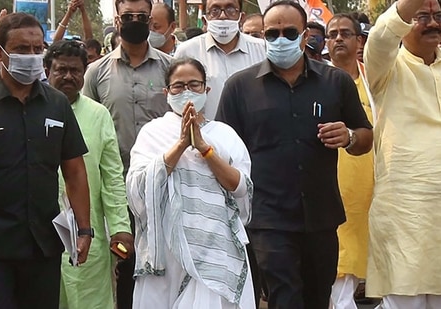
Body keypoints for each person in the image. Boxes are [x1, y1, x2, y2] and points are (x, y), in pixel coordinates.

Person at [216, 1, 373, 308]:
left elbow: (365, 136)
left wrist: (349, 136)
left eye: (289, 32)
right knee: (284, 298)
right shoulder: (240, 87)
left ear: (305, 37)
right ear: (262, 36)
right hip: (268, 219)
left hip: (321, 216)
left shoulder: (335, 82)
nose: (280, 40)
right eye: (272, 34)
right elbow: (224, 151)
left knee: (317, 298)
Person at [0, 12, 92, 308]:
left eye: (38, 50)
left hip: (43, 246)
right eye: (23, 50)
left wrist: (84, 229)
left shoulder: (57, 104)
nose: (33, 57)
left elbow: (74, 171)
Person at [363, 0, 441, 307]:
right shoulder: (385, 66)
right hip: (405, 216)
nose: (433, 23)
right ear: (404, 24)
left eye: (438, 17)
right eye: (422, 16)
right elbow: (381, 35)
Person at [127, 57, 254, 309]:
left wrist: (205, 149)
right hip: (168, 249)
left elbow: (240, 187)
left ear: (206, 89)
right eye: (178, 86)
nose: (187, 91)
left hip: (217, 248)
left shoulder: (224, 134)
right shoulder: (153, 132)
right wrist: (181, 145)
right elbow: (137, 188)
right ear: (166, 92)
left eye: (194, 85)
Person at [82, 0, 172, 307]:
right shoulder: (96, 72)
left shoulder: (169, 68)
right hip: (116, 188)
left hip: (163, 185)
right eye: (128, 16)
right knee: (124, 260)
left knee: (165, 260)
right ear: (116, 20)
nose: (134, 21)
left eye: (141, 17)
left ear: (150, 19)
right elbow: (87, 123)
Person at [44, 40, 134, 309]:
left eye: (76, 71)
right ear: (47, 69)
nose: (68, 76)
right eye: (61, 70)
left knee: (90, 300)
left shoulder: (98, 114)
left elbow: (112, 177)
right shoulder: (32, 110)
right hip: (38, 234)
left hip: (87, 234)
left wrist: (120, 227)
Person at [325, 13, 376, 309]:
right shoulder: (317, 79)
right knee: (337, 262)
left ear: (360, 41)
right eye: (333, 34)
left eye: (346, 33)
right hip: (331, 185)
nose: (339, 39)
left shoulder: (375, 80)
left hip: (371, 184)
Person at [174, 0, 265, 119]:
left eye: (230, 9)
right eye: (215, 10)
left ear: (241, 17)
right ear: (205, 19)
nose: (222, 16)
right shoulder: (187, 51)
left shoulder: (262, 49)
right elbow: (176, 98)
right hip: (205, 134)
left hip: (251, 134)